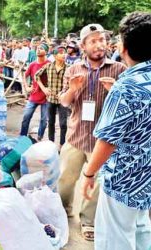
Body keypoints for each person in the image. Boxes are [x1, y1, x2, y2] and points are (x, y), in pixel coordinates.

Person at [81, 12, 151, 250]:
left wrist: (89, 174)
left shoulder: (126, 86)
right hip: (146, 177)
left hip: (124, 179)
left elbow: (108, 141)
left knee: (115, 238)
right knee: (141, 229)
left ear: (126, 48)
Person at [58, 23, 127, 241]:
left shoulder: (119, 70)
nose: (99, 45)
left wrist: (114, 91)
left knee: (95, 183)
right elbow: (63, 101)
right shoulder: (73, 69)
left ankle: (88, 220)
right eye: (93, 41)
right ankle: (62, 210)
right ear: (83, 46)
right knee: (66, 178)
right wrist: (73, 89)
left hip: (102, 140)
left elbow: (126, 106)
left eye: (102, 40)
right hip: (76, 135)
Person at [35, 46, 69, 146]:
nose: (64, 54)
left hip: (63, 100)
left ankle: (62, 144)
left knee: (63, 124)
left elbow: (71, 82)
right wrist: (44, 88)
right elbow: (37, 75)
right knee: (51, 123)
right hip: (50, 99)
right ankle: (51, 144)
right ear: (54, 56)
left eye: (65, 52)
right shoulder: (48, 66)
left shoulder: (68, 68)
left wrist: (64, 92)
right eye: (61, 52)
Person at [20, 43, 50, 141]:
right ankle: (22, 137)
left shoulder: (49, 64)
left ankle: (39, 137)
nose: (38, 50)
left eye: (41, 48)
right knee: (26, 117)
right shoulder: (33, 64)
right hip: (34, 95)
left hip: (46, 96)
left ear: (46, 51)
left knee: (44, 120)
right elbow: (25, 75)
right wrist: (26, 87)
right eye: (37, 48)